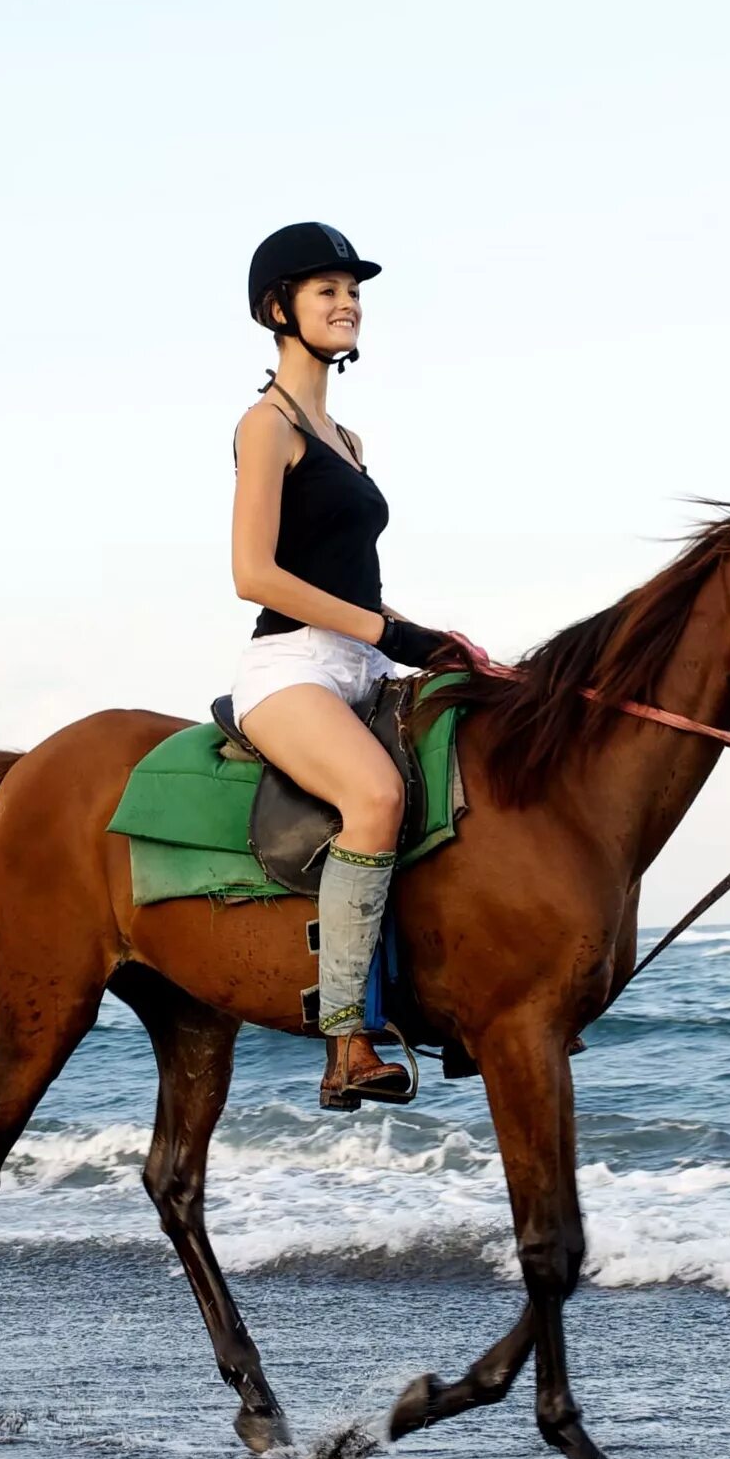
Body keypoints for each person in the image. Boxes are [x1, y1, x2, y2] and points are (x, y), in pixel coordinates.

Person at [227, 221, 463, 1111]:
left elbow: (355, 581)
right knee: (376, 798)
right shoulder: (266, 425)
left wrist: (428, 638)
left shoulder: (348, 438)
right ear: (277, 311)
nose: (347, 303)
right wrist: (383, 633)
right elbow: (255, 574)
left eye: (353, 290)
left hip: (360, 657)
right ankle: (346, 1042)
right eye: (326, 291)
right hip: (291, 669)